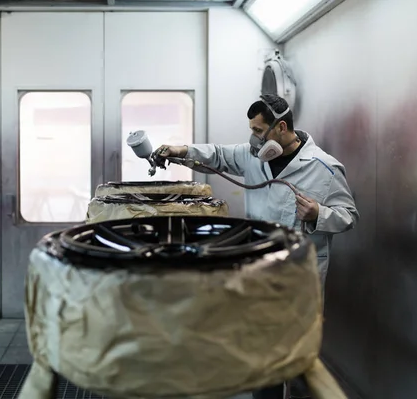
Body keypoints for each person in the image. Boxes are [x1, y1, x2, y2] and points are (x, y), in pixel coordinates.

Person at [153, 94, 360, 399]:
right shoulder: (254, 157)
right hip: (258, 272)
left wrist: (319, 214)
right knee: (262, 354)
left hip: (299, 277)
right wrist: (179, 150)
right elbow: (217, 155)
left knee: (296, 355)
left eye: (259, 130)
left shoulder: (325, 168)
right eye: (252, 129)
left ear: (282, 127)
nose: (253, 138)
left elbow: (349, 216)